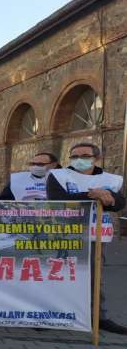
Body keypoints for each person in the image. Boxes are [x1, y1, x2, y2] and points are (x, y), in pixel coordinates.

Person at [46, 142, 127, 335]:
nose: (79, 160)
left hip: (95, 236)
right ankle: (51, 314)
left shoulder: (111, 179)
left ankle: (99, 317)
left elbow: (118, 203)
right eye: (74, 156)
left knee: (94, 278)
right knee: (58, 274)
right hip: (64, 234)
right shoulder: (58, 176)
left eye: (84, 155)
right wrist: (93, 195)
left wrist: (109, 198)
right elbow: (59, 200)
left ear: (95, 158)